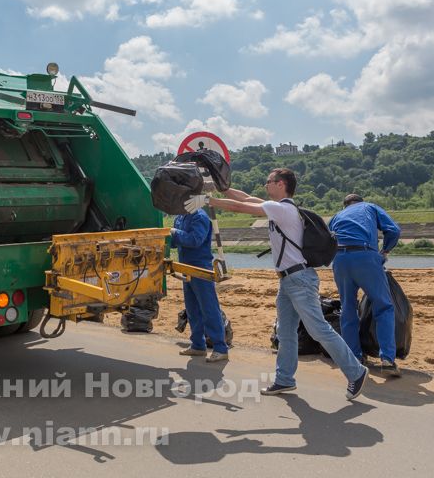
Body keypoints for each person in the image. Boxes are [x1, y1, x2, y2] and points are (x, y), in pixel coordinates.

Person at [187, 168, 368, 400]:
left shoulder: (282, 209)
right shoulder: (280, 208)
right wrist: (221, 189)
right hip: (288, 281)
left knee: (318, 329)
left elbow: (242, 207)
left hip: (299, 280)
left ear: (281, 184)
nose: (265, 185)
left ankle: (356, 372)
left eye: (268, 181)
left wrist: (208, 200)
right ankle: (284, 379)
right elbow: (245, 198)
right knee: (285, 332)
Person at [329, 194, 402, 376]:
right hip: (365, 256)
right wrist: (385, 250)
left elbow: (327, 240)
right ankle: (387, 359)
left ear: (345, 205)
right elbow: (393, 230)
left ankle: (354, 358)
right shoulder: (370, 207)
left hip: (340, 259)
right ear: (360, 202)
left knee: (348, 308)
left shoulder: (337, 216)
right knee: (384, 306)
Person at [170, 208, 229, 362]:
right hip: (186, 267)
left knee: (209, 308)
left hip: (200, 267)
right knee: (192, 309)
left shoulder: (200, 217)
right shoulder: (180, 217)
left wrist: (175, 233)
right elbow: (174, 244)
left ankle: (220, 348)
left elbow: (195, 240)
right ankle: (198, 345)